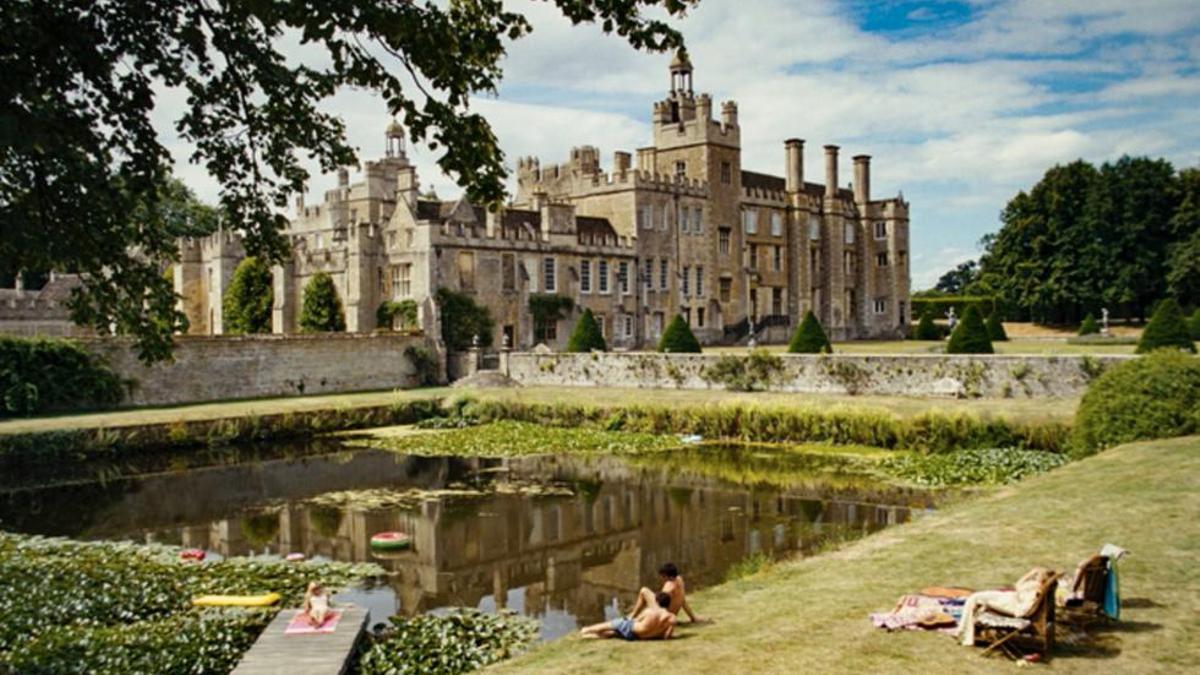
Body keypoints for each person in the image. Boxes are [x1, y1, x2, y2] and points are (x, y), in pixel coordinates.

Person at [958, 567, 1056, 646]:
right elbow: (1017, 585)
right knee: (975, 597)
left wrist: (1031, 574)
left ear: (1043, 579)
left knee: (975, 598)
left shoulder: (1037, 592)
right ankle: (965, 630)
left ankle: (965, 633)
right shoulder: (1035, 585)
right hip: (1010, 598)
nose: (1036, 576)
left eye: (1038, 575)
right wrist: (1031, 573)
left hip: (1012, 605)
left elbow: (1022, 611)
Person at [580, 591, 676, 641]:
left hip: (632, 630)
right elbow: (667, 636)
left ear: (657, 601)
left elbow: (637, 620)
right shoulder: (671, 618)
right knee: (613, 633)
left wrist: (631, 618)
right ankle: (590, 636)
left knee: (609, 625)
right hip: (638, 637)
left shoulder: (650, 611)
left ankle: (586, 630)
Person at [629, 562, 705, 623]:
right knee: (648, 595)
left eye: (663, 576)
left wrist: (643, 616)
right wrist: (693, 618)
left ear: (669, 577)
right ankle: (633, 615)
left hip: (663, 614)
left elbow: (660, 604)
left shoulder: (669, 586)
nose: (661, 579)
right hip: (672, 614)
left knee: (644, 590)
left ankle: (632, 617)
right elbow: (683, 601)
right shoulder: (680, 581)